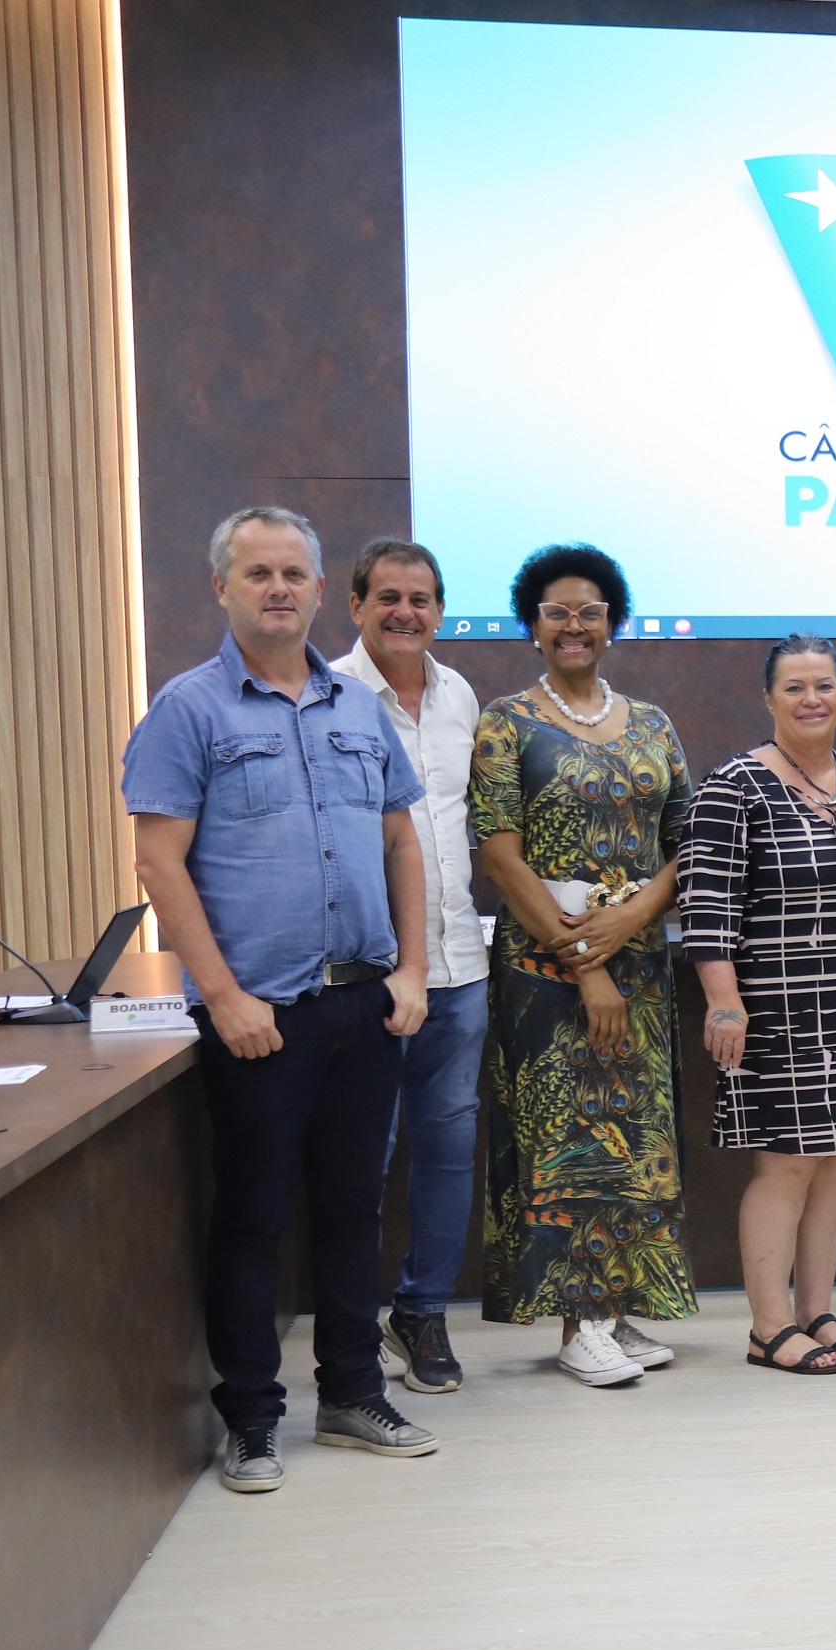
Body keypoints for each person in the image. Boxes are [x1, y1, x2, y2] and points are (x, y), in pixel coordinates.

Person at [122, 506, 437, 1493]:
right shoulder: (188, 709)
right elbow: (158, 863)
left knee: (351, 1212)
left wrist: (413, 970)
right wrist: (221, 996)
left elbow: (401, 842)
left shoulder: (358, 708)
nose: (278, 589)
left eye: (294, 573)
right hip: (259, 1018)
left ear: (318, 590)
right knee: (253, 1217)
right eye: (258, 573)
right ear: (222, 586)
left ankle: (351, 1395)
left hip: (364, 1007)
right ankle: (253, 1419)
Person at [470, 542, 696, 1389]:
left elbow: (687, 843)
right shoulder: (506, 721)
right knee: (565, 1138)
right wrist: (585, 964)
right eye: (557, 612)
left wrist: (633, 918)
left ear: (612, 624)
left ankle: (612, 1305)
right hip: (545, 970)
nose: (574, 625)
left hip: (639, 965)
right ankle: (576, 1323)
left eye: (590, 612)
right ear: (532, 625)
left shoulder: (652, 723)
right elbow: (500, 856)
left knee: (634, 1138)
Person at [683, 636, 836, 1375]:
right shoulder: (735, 786)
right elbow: (707, 908)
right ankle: (768, 1326)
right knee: (787, 1165)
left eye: (824, 685)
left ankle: (816, 1311)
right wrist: (723, 1003)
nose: (812, 699)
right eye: (794, 687)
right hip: (773, 1010)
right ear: (769, 699)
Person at [330, 536, 486, 1396]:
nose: (404, 612)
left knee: (449, 1149)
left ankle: (421, 1312)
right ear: (355, 605)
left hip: (461, 964)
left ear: (439, 610)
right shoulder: (327, 698)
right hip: (371, 974)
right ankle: (351, 1336)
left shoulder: (460, 695)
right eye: (387, 597)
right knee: (362, 1157)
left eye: (420, 598)